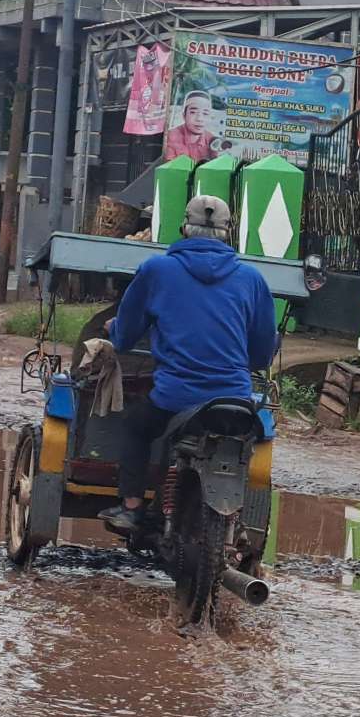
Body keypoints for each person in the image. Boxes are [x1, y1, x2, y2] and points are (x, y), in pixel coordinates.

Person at [99, 196, 279, 536]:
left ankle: (132, 507)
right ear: (228, 233)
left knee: (137, 426)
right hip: (235, 402)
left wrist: (115, 331)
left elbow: (125, 334)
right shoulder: (252, 279)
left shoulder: (157, 270)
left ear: (184, 228)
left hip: (174, 398)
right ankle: (240, 521)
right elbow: (261, 352)